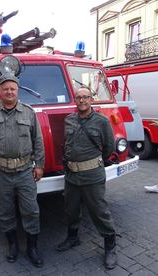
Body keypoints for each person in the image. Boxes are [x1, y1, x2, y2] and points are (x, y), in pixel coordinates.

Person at [0, 72, 45, 267]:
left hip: (25, 170)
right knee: (5, 212)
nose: (9, 92)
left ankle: (32, 248)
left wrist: (39, 165)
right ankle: (13, 246)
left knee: (31, 211)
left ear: (17, 90)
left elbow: (37, 140)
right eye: (5, 88)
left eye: (12, 89)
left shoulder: (28, 112)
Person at [57, 85, 118, 270]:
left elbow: (108, 148)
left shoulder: (102, 121)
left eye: (86, 97)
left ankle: (110, 246)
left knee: (99, 211)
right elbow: (67, 144)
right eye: (78, 97)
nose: (82, 100)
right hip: (71, 175)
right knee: (70, 209)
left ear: (91, 99)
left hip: (92, 174)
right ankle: (73, 238)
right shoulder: (69, 120)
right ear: (75, 100)